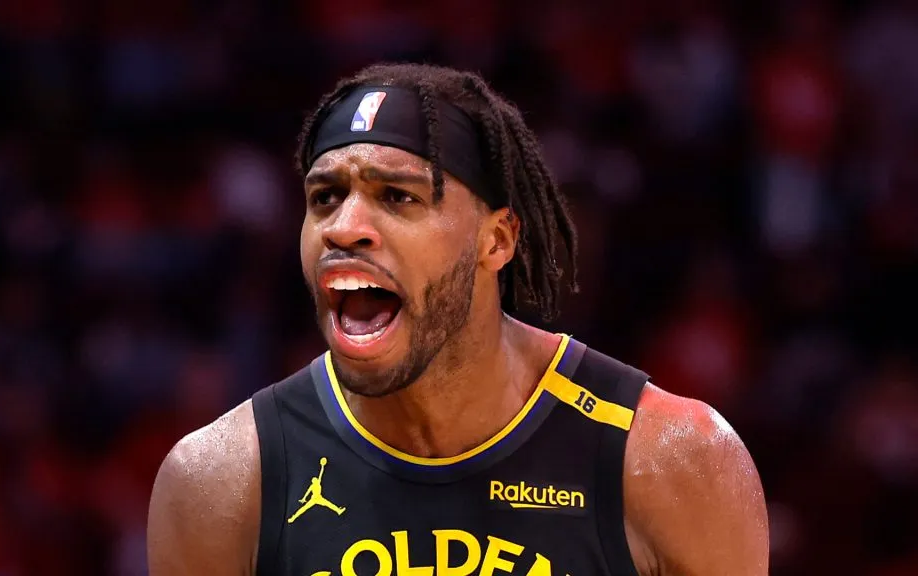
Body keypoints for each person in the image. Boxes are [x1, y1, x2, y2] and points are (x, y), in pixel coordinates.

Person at [147, 63, 769, 576]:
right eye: (324, 198)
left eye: (398, 196)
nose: (343, 228)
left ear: (495, 241)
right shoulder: (224, 482)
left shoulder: (671, 462)